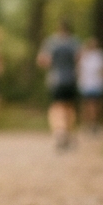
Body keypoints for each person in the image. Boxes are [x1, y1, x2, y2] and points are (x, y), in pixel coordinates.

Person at [37, 20, 80, 149]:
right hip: (71, 79)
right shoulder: (74, 42)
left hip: (55, 79)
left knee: (56, 106)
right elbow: (80, 58)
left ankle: (58, 131)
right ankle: (67, 131)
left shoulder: (51, 42)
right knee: (69, 107)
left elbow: (43, 60)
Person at [78, 37, 103, 134]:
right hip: (87, 84)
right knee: (88, 105)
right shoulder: (84, 55)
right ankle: (88, 125)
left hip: (97, 84)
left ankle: (96, 124)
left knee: (96, 105)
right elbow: (79, 69)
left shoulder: (100, 55)